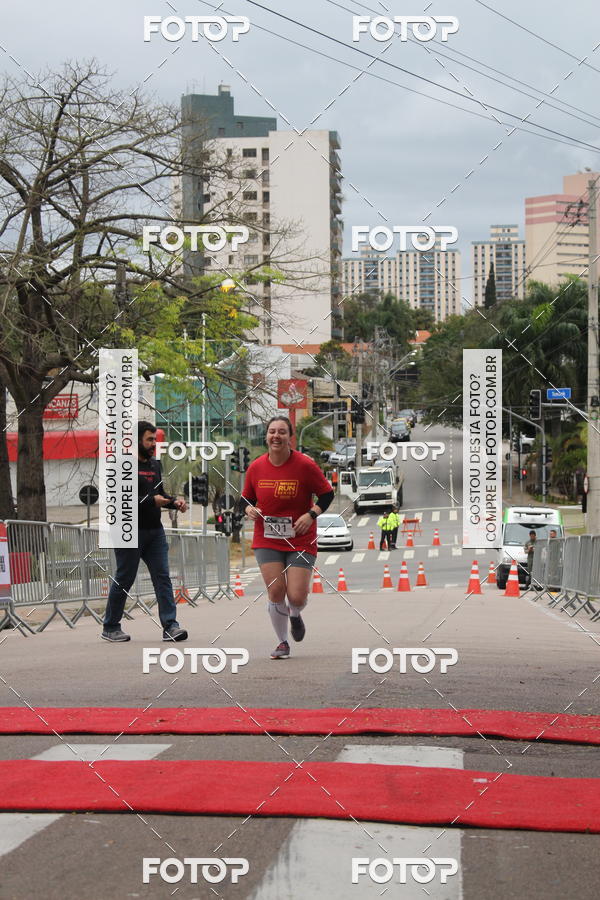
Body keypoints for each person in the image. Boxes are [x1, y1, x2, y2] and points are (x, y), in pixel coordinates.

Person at [240, 416, 334, 659]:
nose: (276, 436)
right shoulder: (257, 467)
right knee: (275, 592)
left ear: (290, 437)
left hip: (300, 537)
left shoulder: (305, 465)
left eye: (282, 432)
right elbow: (246, 498)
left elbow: (326, 494)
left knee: (296, 596)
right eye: (272, 431)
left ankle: (295, 614)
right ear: (266, 436)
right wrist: (248, 509)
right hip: (267, 537)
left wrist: (311, 514)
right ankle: (282, 642)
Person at [101, 421, 189, 643]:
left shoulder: (155, 465)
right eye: (149, 439)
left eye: (155, 440)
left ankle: (171, 626)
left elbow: (159, 494)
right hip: (128, 529)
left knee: (163, 578)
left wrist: (174, 502)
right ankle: (111, 627)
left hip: (154, 531)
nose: (153, 444)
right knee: (125, 578)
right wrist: (152, 501)